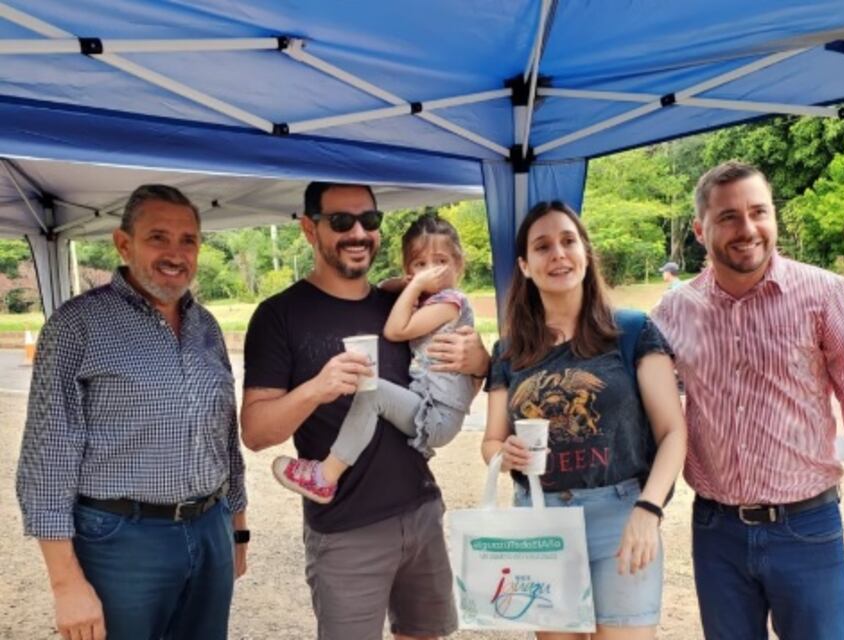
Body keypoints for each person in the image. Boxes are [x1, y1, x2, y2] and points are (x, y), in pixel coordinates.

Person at [652, 161, 844, 640]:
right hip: (716, 529)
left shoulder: (825, 293)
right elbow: (642, 397)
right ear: (701, 231)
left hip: (807, 525)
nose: (748, 229)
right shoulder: (674, 311)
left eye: (758, 212)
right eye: (728, 217)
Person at [240, 182, 489, 640]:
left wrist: (480, 363)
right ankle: (324, 474)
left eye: (369, 220)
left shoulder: (403, 305)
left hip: (422, 510)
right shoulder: (279, 315)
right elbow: (255, 432)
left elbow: (452, 383)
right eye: (341, 221)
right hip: (346, 529)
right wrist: (316, 389)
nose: (358, 232)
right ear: (309, 229)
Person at [16, 184, 248, 640]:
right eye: (158, 237)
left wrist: (236, 530)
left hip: (210, 529)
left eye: (188, 241)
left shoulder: (207, 326)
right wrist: (66, 584)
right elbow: (47, 458)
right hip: (121, 540)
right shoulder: (76, 326)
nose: (175, 253)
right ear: (124, 244)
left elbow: (226, 435)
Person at [482, 201, 687, 639]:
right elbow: (490, 442)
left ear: (585, 252)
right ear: (524, 265)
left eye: (568, 241)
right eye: (543, 246)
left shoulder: (631, 331)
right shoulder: (508, 351)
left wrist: (648, 510)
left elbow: (673, 431)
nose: (558, 254)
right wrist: (506, 454)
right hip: (541, 520)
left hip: (621, 516)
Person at [270, 212, 478, 503]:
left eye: (441, 262)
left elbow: (395, 330)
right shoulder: (427, 298)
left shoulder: (450, 303)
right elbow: (384, 287)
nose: (430, 271)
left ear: (459, 264)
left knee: (371, 392)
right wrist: (410, 283)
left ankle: (325, 476)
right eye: (420, 264)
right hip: (430, 408)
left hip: (438, 415)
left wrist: (415, 285)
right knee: (372, 394)